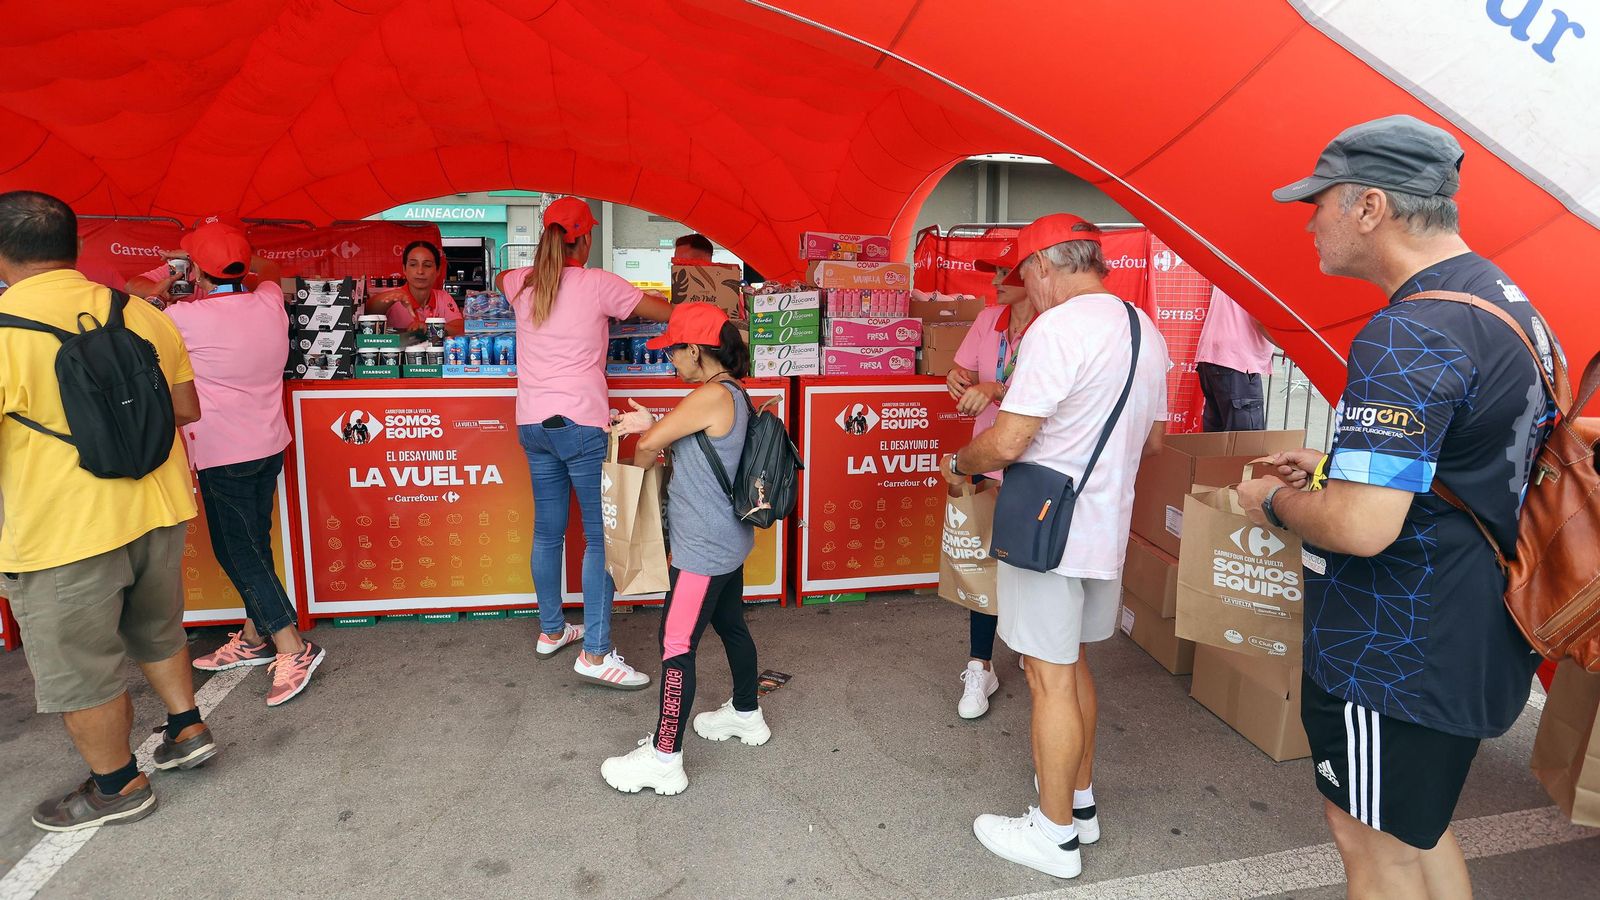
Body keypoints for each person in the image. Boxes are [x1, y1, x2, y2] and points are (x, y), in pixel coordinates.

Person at [1238, 115, 1558, 900]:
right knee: (1415, 829)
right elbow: (1474, 455)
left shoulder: (1408, 332)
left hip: (1397, 648)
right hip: (1470, 624)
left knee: (1371, 847)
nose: (1311, 221)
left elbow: (1361, 525)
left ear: (1371, 207)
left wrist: (1272, 501)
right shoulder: (1499, 297)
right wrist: (1334, 466)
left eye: (1321, 202)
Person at [942, 213, 1168, 880]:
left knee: (1046, 674)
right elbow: (1152, 442)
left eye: (1026, 277)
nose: (1027, 291)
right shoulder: (1142, 329)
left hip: (1045, 528)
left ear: (1043, 266)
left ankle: (1054, 834)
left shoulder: (1057, 328)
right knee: (1070, 668)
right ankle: (1080, 803)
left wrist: (960, 462)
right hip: (1104, 527)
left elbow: (1008, 441)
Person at [0, 191, 219, 831]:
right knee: (157, 627)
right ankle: (186, 727)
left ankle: (118, 785)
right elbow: (185, 409)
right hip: (156, 507)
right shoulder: (141, 315)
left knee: (82, 666)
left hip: (64, 529)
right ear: (76, 247)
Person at [496, 197, 671, 688]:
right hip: (580, 424)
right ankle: (595, 654)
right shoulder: (598, 284)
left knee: (548, 532)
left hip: (532, 424)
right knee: (600, 539)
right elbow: (661, 310)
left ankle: (552, 630)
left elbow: (497, 281)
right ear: (587, 239)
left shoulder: (520, 283)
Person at [601, 303, 767, 794]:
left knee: (675, 645)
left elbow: (649, 447)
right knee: (731, 624)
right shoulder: (731, 392)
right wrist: (655, 426)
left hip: (702, 549)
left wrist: (646, 438)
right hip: (729, 540)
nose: (669, 361)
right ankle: (745, 712)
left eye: (673, 352)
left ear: (696, 350)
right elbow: (692, 438)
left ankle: (664, 757)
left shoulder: (710, 395)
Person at [161, 218, 326, 707]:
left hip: (222, 452)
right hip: (269, 443)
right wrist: (235, 258)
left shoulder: (182, 318)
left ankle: (293, 647)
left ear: (197, 270)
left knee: (239, 553)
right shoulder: (269, 301)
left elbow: (132, 300)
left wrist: (166, 280)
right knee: (253, 543)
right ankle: (255, 637)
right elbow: (269, 269)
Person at [943, 241, 1032, 719]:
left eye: (1003, 271)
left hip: (1036, 463)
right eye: (992, 271)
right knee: (984, 562)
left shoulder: (1053, 327)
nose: (994, 281)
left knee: (1028, 563)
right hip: (985, 459)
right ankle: (980, 665)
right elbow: (961, 370)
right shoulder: (987, 320)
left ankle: (1030, 646)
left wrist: (997, 387)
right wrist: (957, 380)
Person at [1194, 286, 1275, 431]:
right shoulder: (1260, 273)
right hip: (1237, 360)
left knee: (1216, 439)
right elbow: (1261, 320)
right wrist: (1291, 347)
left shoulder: (1238, 268)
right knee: (1245, 443)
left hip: (1213, 355)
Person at [363, 240, 465, 338]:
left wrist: (430, 328)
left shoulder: (443, 297)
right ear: (404, 269)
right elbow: (368, 312)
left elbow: (460, 328)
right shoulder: (393, 297)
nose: (420, 271)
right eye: (413, 265)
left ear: (438, 271)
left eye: (427, 265)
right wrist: (389, 298)